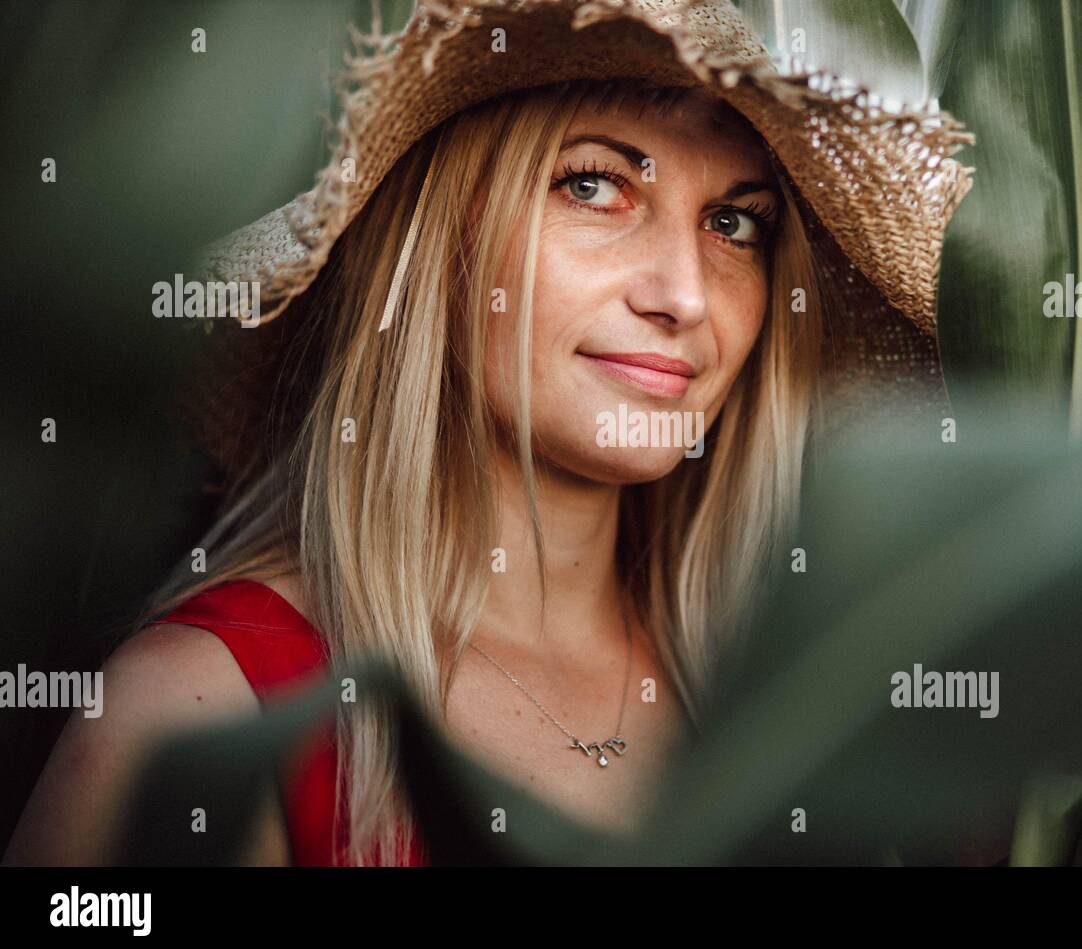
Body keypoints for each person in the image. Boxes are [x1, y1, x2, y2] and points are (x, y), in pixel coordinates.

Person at [3, 0, 971, 866]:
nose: (683, 294)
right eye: (594, 185)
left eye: (734, 223)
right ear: (435, 240)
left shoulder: (808, 691)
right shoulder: (207, 706)